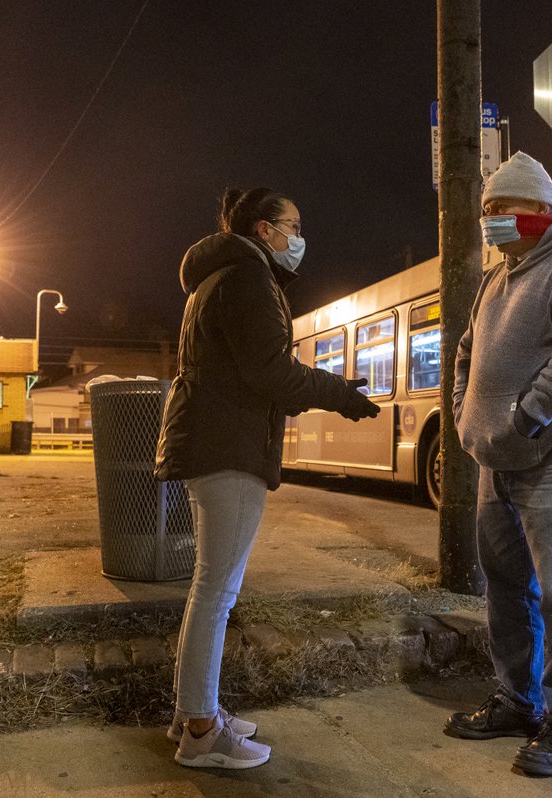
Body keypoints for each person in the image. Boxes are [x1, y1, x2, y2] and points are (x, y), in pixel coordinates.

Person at [154, 187, 379, 769]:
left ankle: (194, 710)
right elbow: (269, 371)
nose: (299, 237)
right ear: (263, 229)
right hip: (229, 448)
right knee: (216, 592)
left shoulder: (221, 278)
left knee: (211, 590)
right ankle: (202, 733)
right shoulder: (247, 279)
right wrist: (336, 393)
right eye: (292, 225)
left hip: (216, 441)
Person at [447, 152, 552, 777]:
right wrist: (467, 416)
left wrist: (525, 415)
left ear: (544, 210)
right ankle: (518, 702)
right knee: (506, 591)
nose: (492, 220)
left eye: (503, 208)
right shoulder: (498, 277)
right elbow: (465, 352)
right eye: (487, 210)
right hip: (494, 458)